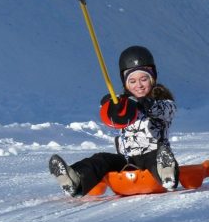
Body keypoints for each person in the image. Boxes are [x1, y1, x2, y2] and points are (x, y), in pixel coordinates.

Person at [49, 45, 179, 197]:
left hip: (152, 156)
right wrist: (109, 105)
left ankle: (166, 173)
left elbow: (167, 109)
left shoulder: (161, 102)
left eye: (144, 79)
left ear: (152, 79)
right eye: (132, 81)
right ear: (125, 83)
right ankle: (75, 178)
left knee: (157, 156)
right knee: (102, 158)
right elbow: (110, 116)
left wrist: (147, 104)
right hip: (127, 160)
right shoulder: (124, 104)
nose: (139, 85)